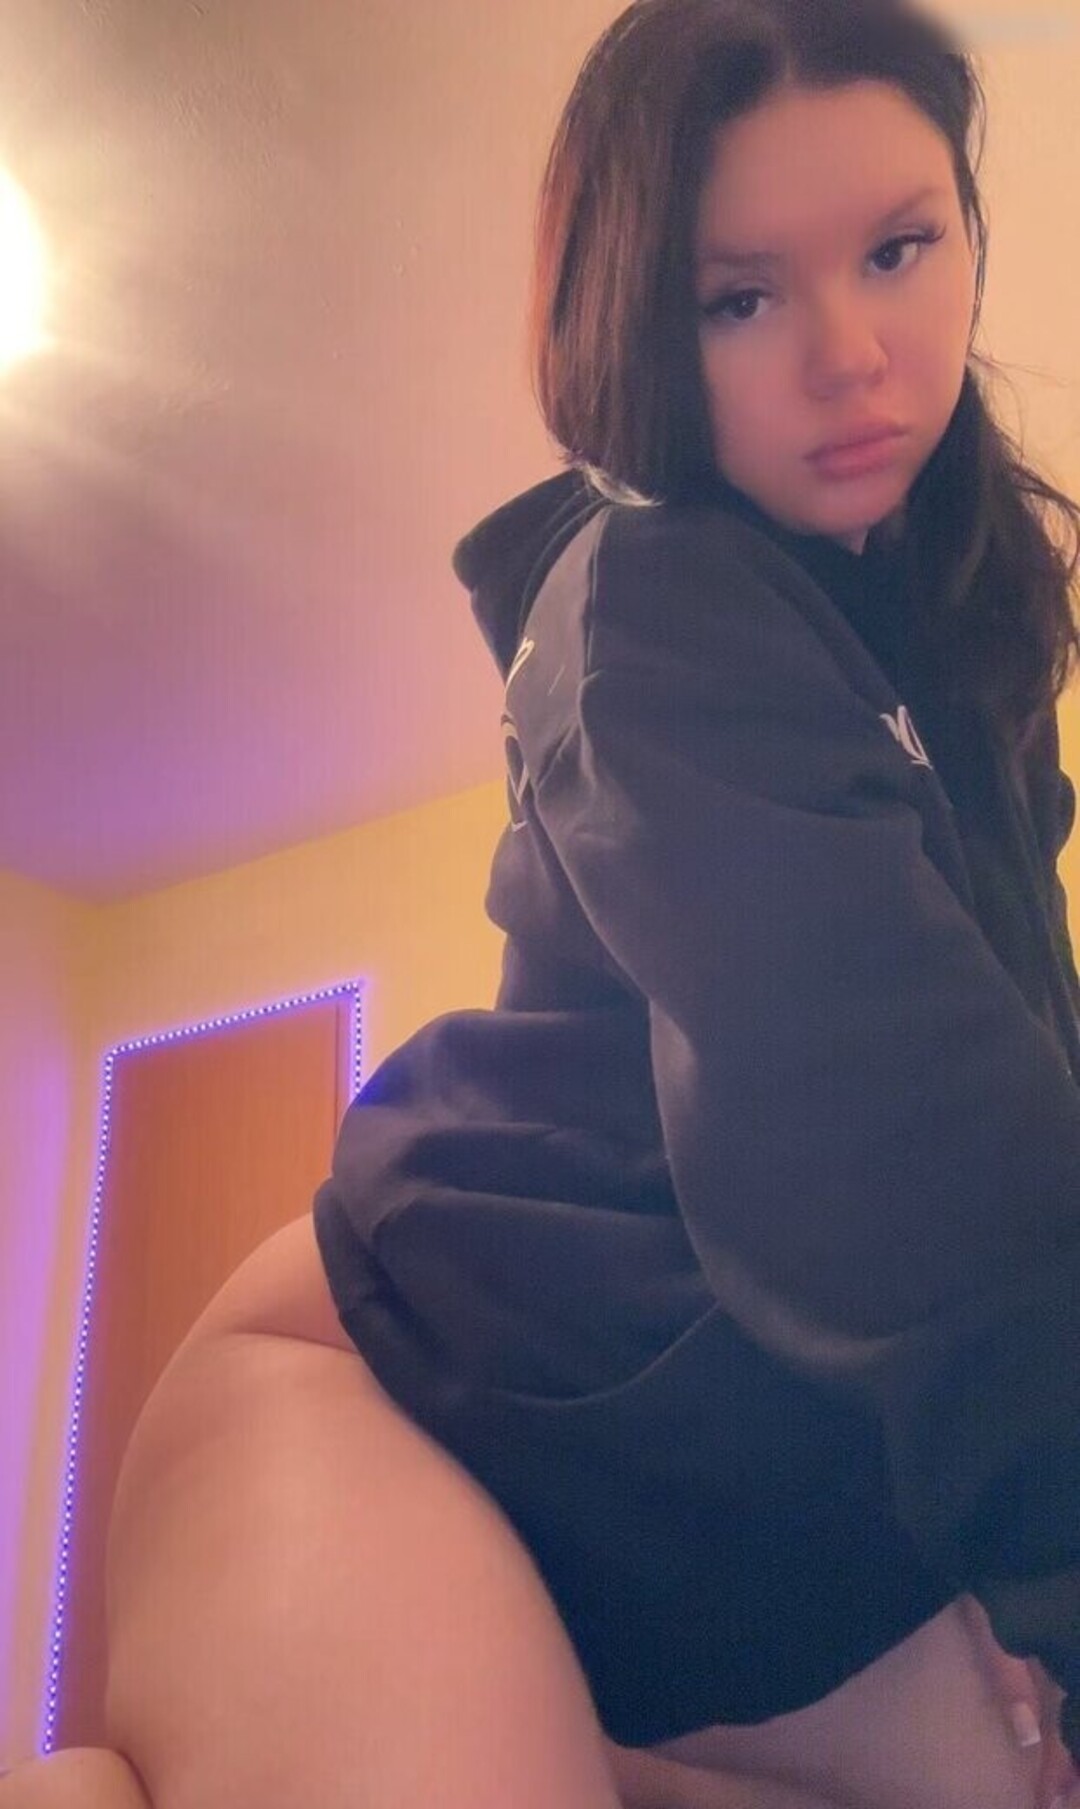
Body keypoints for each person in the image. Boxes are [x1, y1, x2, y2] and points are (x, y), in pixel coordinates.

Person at [7, 0, 1080, 1804]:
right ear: (644, 331)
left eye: (899, 248)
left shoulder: (972, 616)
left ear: (968, 225)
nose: (849, 353)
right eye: (739, 298)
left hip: (665, 1472)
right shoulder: (650, 601)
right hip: (377, 1387)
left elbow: (1023, 1075)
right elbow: (895, 1132)